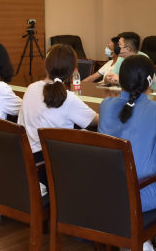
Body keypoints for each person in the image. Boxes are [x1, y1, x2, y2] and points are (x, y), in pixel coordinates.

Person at [98, 54, 156, 251]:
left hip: (106, 190)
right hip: (138, 194)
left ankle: (133, 236)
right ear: (150, 80)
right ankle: (139, 236)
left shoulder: (106, 105)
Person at [18, 43, 98, 175]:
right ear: (72, 71)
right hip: (48, 165)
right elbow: (95, 120)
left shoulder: (31, 88)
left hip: (25, 157)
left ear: (46, 65)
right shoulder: (68, 98)